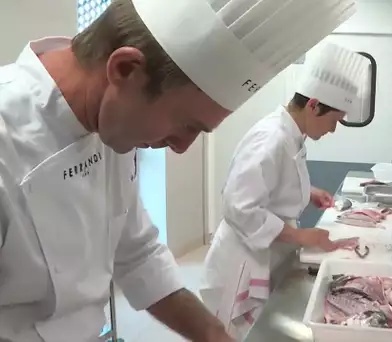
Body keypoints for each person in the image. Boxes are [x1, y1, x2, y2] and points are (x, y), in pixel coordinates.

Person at [0, 0, 356, 340]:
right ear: (125, 70)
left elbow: (138, 254)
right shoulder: (7, 137)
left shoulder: (112, 126)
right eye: (186, 124)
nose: (182, 147)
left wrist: (215, 335)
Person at [199, 42, 369, 340]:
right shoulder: (272, 138)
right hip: (241, 263)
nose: (333, 130)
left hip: (267, 253)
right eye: (334, 120)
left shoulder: (292, 135)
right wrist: (303, 236)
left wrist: (309, 192)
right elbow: (240, 207)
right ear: (314, 105)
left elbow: (273, 183)